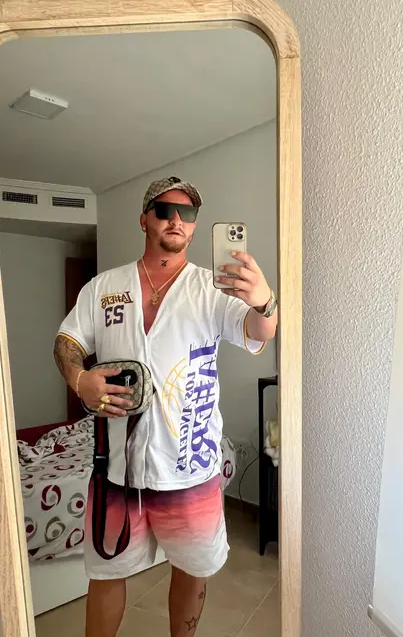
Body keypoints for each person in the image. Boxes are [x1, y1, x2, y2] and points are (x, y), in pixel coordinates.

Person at [53, 176, 278, 637]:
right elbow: (67, 340)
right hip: (118, 469)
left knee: (192, 572)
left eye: (187, 213)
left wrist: (265, 302)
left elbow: (259, 332)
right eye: (164, 210)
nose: (176, 219)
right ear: (144, 219)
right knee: (106, 574)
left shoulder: (213, 289)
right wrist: (79, 379)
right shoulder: (104, 287)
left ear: (194, 227)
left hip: (190, 469)